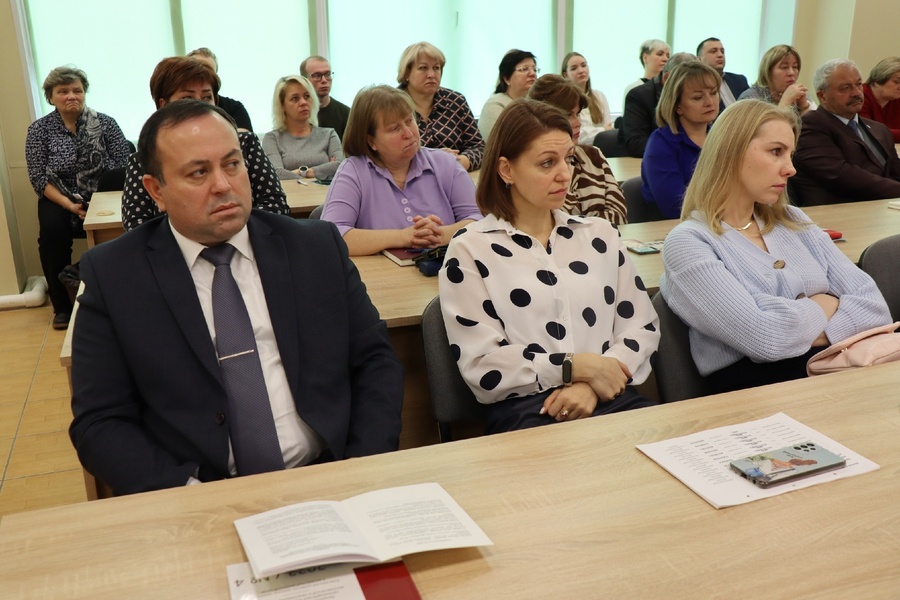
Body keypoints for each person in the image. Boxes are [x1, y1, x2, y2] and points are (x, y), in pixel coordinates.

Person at [69, 100, 403, 496]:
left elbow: (374, 361)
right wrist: (188, 494)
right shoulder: (114, 275)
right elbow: (100, 421)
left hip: (332, 474)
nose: (223, 185)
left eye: (232, 164)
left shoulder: (314, 247)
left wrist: (360, 467)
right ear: (156, 190)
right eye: (198, 172)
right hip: (197, 493)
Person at [439, 99, 659, 433]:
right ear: (506, 170)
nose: (564, 174)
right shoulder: (470, 249)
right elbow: (483, 364)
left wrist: (591, 383)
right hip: (529, 409)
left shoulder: (600, 234)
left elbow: (641, 326)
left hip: (610, 394)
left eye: (568, 159)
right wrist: (574, 368)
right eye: (547, 163)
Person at [660, 99, 891, 394]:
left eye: (790, 155)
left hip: (835, 373)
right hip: (759, 395)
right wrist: (825, 302)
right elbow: (766, 339)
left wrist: (783, 316)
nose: (791, 169)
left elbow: (875, 307)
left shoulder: (793, 219)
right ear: (731, 151)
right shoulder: (689, 242)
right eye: (776, 152)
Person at [121, 57, 288, 231]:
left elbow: (275, 205)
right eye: (187, 98)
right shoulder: (143, 161)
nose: (199, 105)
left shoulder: (245, 144)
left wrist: (231, 235)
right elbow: (136, 226)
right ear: (163, 105)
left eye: (207, 97)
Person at [25, 66, 131, 330]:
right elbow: (38, 177)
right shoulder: (39, 130)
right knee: (51, 232)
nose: (71, 96)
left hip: (103, 195)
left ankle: (117, 296)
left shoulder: (106, 123)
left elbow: (123, 165)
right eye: (63, 91)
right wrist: (70, 205)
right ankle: (63, 306)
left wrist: (96, 203)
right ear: (51, 97)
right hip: (59, 197)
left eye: (77, 90)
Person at [321, 86, 480, 256]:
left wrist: (439, 235)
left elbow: (481, 220)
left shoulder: (445, 163)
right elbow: (331, 237)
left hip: (445, 268)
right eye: (394, 128)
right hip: (380, 272)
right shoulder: (353, 171)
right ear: (371, 141)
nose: (409, 133)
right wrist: (403, 237)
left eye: (409, 120)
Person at [792, 59, 900, 206]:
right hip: (837, 212)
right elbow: (842, 176)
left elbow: (895, 169)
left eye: (858, 84)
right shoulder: (810, 126)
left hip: (882, 209)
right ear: (822, 96)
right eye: (845, 88)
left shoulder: (879, 129)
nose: (856, 93)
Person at [527, 74, 627, 224]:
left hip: (602, 239)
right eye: (569, 115)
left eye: (578, 114)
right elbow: (548, 220)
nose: (578, 122)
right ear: (541, 117)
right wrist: (593, 223)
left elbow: (619, 215)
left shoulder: (593, 156)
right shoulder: (536, 163)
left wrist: (579, 226)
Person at [641, 61, 721, 218]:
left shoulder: (722, 137)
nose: (710, 102)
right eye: (698, 97)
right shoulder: (660, 144)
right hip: (675, 227)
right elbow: (676, 207)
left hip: (722, 222)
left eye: (713, 93)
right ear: (677, 106)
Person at [397, 42, 484, 172]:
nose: (431, 74)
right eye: (423, 68)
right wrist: (436, 159)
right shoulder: (392, 105)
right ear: (407, 73)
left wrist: (460, 162)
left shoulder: (455, 101)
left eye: (436, 68)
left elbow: (479, 147)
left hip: (454, 174)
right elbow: (385, 153)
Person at [261, 75, 343, 181]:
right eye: (295, 98)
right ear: (282, 105)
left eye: (307, 96)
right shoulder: (272, 139)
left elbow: (340, 166)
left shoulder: (329, 134)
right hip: (290, 192)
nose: (303, 102)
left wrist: (299, 172)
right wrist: (325, 170)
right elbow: (276, 174)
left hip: (326, 191)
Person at [619, 52, 695, 158]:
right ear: (667, 78)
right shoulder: (639, 96)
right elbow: (636, 144)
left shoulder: (701, 96)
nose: (695, 87)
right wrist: (687, 148)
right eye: (688, 81)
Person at [187, 47, 254, 131]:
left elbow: (244, 136)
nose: (201, 75)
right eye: (187, 97)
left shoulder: (234, 108)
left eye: (208, 71)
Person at [738, 44, 815, 116]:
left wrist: (803, 106)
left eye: (795, 67)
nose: (792, 73)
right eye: (784, 67)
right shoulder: (750, 98)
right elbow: (765, 126)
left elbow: (813, 125)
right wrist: (785, 102)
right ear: (768, 71)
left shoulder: (798, 93)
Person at [478, 49, 538, 141]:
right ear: (507, 79)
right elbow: (501, 143)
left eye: (534, 69)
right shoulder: (495, 105)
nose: (533, 74)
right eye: (524, 69)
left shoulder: (536, 103)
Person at [561, 51, 614, 145]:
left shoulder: (599, 96)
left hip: (600, 148)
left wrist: (599, 131)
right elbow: (576, 134)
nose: (581, 71)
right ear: (565, 75)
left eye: (583, 65)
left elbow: (609, 129)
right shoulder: (564, 100)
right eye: (574, 68)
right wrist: (603, 129)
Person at [300, 56, 351, 140]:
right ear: (304, 80)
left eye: (327, 74)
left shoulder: (347, 114)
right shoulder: (299, 113)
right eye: (317, 75)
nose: (324, 80)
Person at [696, 37, 749, 111]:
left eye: (722, 51)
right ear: (699, 59)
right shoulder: (696, 85)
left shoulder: (739, 80)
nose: (720, 55)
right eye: (713, 51)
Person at [860, 57, 900, 142]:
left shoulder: (896, 98)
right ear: (878, 80)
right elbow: (869, 132)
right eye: (897, 82)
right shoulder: (860, 97)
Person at [622, 39, 670, 103]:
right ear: (645, 57)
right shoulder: (633, 89)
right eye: (660, 54)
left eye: (668, 56)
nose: (666, 59)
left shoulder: (671, 88)